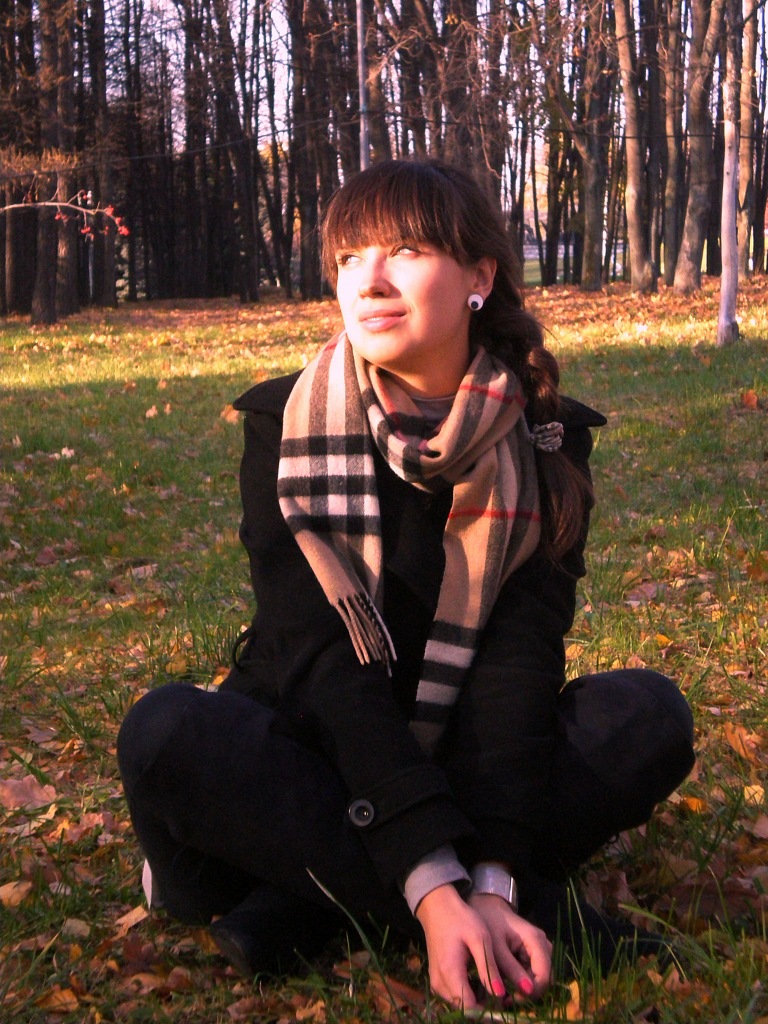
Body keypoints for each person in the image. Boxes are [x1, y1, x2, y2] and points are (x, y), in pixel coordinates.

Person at [117, 158, 695, 1011]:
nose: (370, 280)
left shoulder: (543, 436)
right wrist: (435, 887)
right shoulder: (284, 423)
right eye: (350, 257)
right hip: (311, 752)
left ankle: (303, 908)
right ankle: (520, 918)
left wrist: (490, 872)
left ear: (478, 278)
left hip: (458, 756)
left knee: (647, 718)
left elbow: (519, 664)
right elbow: (322, 666)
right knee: (168, 733)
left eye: (406, 250)